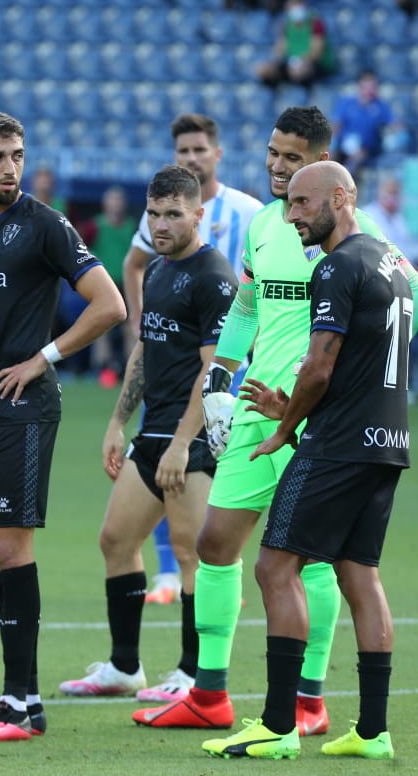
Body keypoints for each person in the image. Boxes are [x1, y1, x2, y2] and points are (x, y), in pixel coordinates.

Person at [133, 106, 418, 735]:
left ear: (322, 164)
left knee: (312, 561)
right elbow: (246, 303)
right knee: (215, 542)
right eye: (272, 153)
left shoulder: (359, 231)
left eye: (291, 158)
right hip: (256, 409)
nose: (276, 166)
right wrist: (221, 375)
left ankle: (308, 701)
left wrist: (348, 367)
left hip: (322, 417)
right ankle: (210, 691)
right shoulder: (268, 226)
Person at [202, 161, 410, 761]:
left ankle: (278, 724)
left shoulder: (337, 266)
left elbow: (320, 365)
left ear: (340, 198)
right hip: (386, 440)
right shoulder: (391, 262)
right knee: (357, 574)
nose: (291, 216)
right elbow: (364, 359)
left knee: (274, 568)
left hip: (337, 445)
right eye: (288, 204)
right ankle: (373, 733)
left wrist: (286, 427)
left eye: (301, 203)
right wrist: (288, 402)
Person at [0, 111, 125, 742]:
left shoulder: (46, 225)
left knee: (13, 548)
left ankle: (24, 700)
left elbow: (110, 305)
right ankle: (16, 696)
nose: (9, 167)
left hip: (24, 410)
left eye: (16, 154)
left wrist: (42, 358)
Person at [60, 165, 236, 707]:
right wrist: (118, 421)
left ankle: (191, 673)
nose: (160, 224)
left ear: (198, 214)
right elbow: (145, 348)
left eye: (173, 215)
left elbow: (215, 374)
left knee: (192, 555)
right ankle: (124, 667)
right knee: (116, 541)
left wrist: (184, 443)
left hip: (194, 440)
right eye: (154, 214)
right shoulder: (158, 270)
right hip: (151, 434)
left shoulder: (214, 277)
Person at [121, 114, 264, 606]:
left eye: (199, 150)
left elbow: (267, 279)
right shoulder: (163, 244)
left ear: (216, 154)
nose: (191, 158)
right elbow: (133, 264)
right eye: (183, 151)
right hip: (175, 352)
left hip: (225, 362)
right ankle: (172, 577)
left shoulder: (248, 212)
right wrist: (144, 324)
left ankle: (211, 598)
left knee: (201, 525)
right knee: (135, 521)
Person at [88, 184, 138, 387]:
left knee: (130, 327)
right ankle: (103, 367)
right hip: (104, 284)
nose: (115, 205)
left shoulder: (131, 225)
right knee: (101, 327)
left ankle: (130, 368)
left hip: (128, 283)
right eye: (112, 200)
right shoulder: (95, 226)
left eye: (118, 200)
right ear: (105, 204)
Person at [255, 0, 335, 90]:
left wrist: (300, 61)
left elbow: (317, 51)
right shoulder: (286, 24)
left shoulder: (315, 22)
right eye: (291, 6)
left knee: (300, 70)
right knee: (263, 69)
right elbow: (280, 48)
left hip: (314, 64)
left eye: (296, 5)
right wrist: (275, 60)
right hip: (292, 64)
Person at [330, 70, 400, 179]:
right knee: (330, 154)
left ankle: (343, 181)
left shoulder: (381, 106)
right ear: (359, 85)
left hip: (366, 147)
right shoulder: (346, 102)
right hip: (344, 143)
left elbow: (395, 124)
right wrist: (333, 141)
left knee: (358, 156)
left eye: (373, 85)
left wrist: (398, 135)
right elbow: (337, 124)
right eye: (366, 84)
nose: (369, 89)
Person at [358, 177, 418, 263]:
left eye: (396, 193)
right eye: (390, 193)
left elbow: (406, 246)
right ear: (380, 192)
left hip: (400, 269)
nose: (393, 197)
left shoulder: (399, 218)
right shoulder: (368, 214)